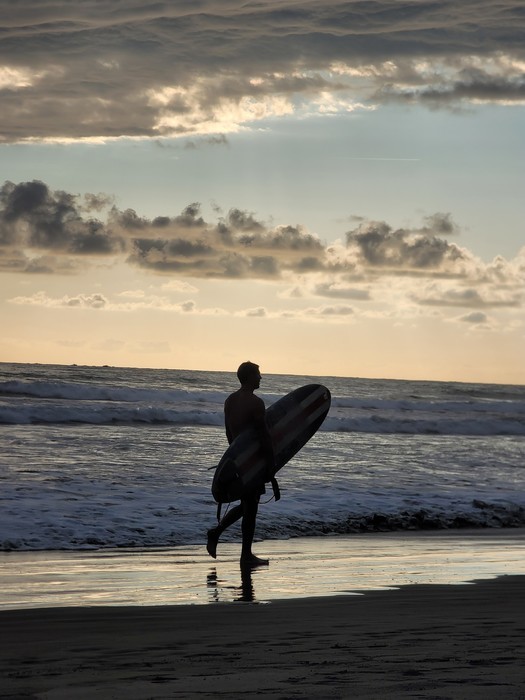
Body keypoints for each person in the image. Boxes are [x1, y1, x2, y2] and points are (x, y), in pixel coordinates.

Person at [207, 361, 276, 568]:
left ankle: (218, 533)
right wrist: (270, 463)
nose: (261, 378)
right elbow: (263, 435)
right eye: (258, 374)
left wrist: (236, 458)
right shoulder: (256, 403)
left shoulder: (230, 400)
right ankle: (245, 555)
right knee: (251, 507)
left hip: (238, 459)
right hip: (254, 459)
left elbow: (229, 432)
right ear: (249, 377)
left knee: (249, 504)